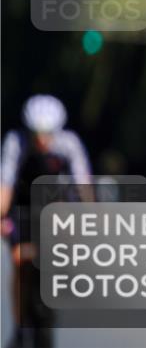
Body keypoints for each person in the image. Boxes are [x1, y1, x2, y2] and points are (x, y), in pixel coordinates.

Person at [1, 95, 92, 348]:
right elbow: (5, 186)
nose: (41, 140)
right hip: (23, 210)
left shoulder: (68, 144)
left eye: (47, 134)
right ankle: (20, 327)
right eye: (36, 134)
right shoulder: (15, 142)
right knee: (20, 262)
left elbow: (84, 186)